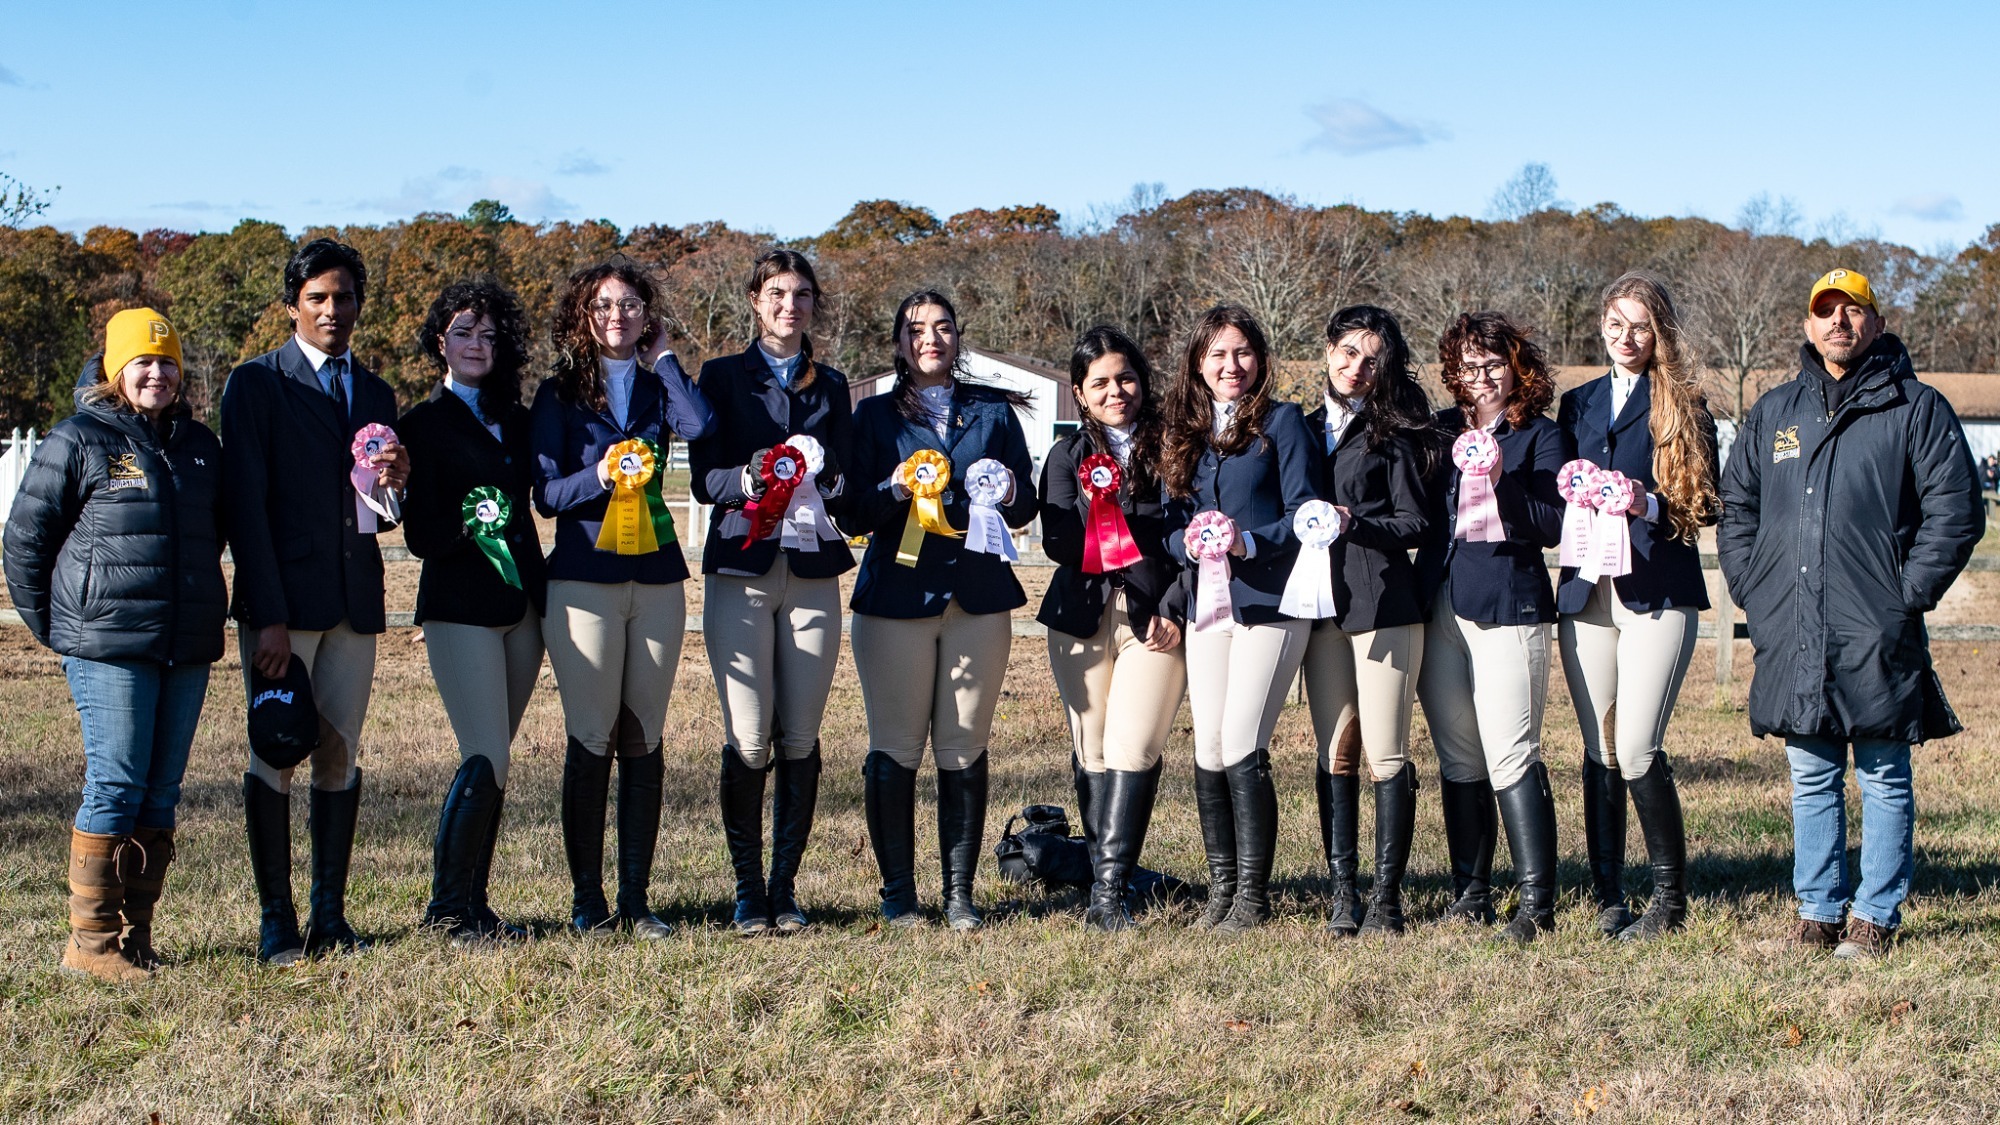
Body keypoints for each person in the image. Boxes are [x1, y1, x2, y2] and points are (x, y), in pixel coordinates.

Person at [1718, 268, 1980, 959]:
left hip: (1876, 626)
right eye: (1825, 310)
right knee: (1810, 770)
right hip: (1793, 621)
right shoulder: (1775, 413)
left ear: (1876, 323)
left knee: (1884, 771)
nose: (1839, 321)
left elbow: (1956, 512)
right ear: (1808, 325)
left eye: (1853, 309)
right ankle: (1818, 907)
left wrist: (1905, 595)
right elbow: (1737, 507)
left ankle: (1875, 914)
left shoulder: (1916, 408)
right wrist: (1756, 588)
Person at [4, 311, 226, 981]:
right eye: (141, 361)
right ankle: (91, 943)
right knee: (116, 782)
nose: (156, 373)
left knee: (161, 791)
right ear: (113, 369)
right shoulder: (78, 438)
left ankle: (137, 934)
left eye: (167, 362)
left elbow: (211, 533)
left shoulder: (198, 445)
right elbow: (24, 542)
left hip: (183, 643)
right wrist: (61, 629)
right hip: (107, 646)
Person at [223, 239, 408, 965]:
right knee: (275, 753)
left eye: (345, 297)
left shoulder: (378, 393)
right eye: (319, 298)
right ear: (294, 303)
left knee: (340, 753)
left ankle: (331, 915)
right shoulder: (255, 384)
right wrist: (265, 611)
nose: (334, 310)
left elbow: (382, 514)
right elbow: (246, 506)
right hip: (282, 608)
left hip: (354, 603)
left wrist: (400, 480)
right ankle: (277, 921)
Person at [531, 259, 714, 941]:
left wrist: (665, 360)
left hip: (659, 580)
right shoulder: (557, 395)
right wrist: (600, 475)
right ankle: (588, 898)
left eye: (632, 305)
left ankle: (637, 896)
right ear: (584, 314)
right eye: (605, 305)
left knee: (644, 736)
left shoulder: (658, 385)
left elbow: (697, 427)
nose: (618, 316)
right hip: (583, 580)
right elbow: (546, 494)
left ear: (648, 314)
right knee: (591, 734)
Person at [846, 289, 1038, 931]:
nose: (931, 337)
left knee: (963, 745)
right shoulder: (871, 416)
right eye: (917, 328)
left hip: (978, 598)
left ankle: (959, 892)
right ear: (899, 342)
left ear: (959, 338)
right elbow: (850, 515)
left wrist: (1009, 491)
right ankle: (899, 893)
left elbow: (1024, 504)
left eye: (944, 327)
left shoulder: (992, 412)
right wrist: (894, 486)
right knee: (896, 745)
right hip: (896, 599)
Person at [690, 250, 854, 936]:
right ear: (756, 301)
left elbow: (843, 470)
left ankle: (785, 887)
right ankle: (746, 887)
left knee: (801, 734)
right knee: (750, 736)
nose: (793, 304)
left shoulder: (835, 383)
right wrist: (752, 480)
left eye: (804, 294)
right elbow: (705, 477)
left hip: (813, 571)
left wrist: (832, 480)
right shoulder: (721, 377)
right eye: (779, 293)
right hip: (744, 566)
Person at [1555, 272, 1718, 941]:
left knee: (1639, 744)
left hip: (1658, 589)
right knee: (1599, 747)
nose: (1627, 337)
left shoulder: (1685, 405)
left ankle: (1668, 899)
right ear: (1601, 325)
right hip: (1586, 591)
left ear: (1661, 332)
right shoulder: (1576, 405)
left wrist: (1645, 502)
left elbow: (1706, 504)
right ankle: (1606, 894)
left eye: (1641, 325)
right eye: (1616, 324)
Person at [398, 279, 547, 946]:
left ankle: (475, 903)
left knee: (498, 759)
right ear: (441, 343)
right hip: (461, 608)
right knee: (483, 754)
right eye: (464, 332)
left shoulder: (518, 419)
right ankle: (447, 909)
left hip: (523, 608)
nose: (477, 345)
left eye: (489, 335)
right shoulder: (420, 425)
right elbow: (420, 535)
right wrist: (472, 529)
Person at [1160, 305, 1318, 932]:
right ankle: (1220, 891)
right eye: (1218, 354)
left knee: (1241, 742)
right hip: (1207, 608)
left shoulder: (1284, 424)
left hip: (1269, 605)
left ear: (1261, 359)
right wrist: (1190, 546)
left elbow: (1307, 513)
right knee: (1207, 746)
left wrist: (1246, 542)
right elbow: (1171, 526)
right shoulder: (1186, 432)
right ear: (1199, 362)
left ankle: (1252, 898)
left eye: (1243, 353)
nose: (1232, 366)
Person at [1414, 312, 1569, 943]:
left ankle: (1537, 901)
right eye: (1468, 367)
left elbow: (1555, 524)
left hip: (1509, 602)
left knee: (1512, 751)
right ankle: (1470, 892)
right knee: (1459, 754)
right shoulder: (1441, 429)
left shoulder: (1540, 436)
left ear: (1516, 367)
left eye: (1493, 364)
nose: (1481, 377)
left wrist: (1501, 483)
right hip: (1440, 601)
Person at [1038, 326, 1187, 932]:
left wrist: (1175, 601)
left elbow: (1198, 533)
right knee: (1092, 748)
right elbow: (1053, 536)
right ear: (1080, 392)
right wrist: (1106, 538)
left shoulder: (1179, 448)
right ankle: (1109, 888)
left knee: (1134, 746)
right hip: (1079, 615)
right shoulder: (1065, 455)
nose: (1115, 390)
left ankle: (1107, 895)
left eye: (1125, 378)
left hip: (1157, 616)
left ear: (1142, 382)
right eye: (1099, 382)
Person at [1299, 305, 1439, 937]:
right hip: (1317, 608)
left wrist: (1357, 524)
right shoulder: (1296, 430)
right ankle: (1341, 893)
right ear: (1328, 350)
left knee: (1386, 752)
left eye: (1372, 359)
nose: (1357, 368)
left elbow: (1417, 521)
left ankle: (1386, 899)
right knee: (1336, 752)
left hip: (1384, 602)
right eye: (1349, 352)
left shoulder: (1395, 433)